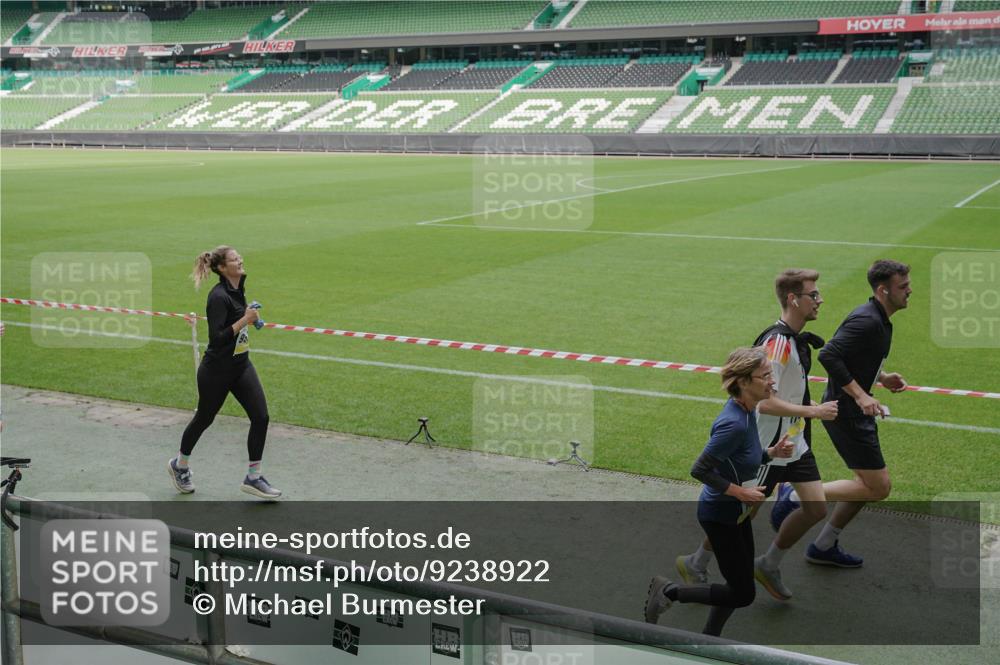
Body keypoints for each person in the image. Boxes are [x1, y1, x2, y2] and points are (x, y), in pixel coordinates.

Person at [675, 269, 839, 601]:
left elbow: (784, 395)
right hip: (769, 444)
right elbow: (766, 403)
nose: (820, 300)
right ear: (793, 299)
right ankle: (696, 562)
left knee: (816, 508)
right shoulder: (777, 344)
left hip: (792, 443)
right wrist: (814, 412)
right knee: (743, 511)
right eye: (814, 295)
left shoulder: (791, 340)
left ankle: (768, 564)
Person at [644, 347, 793, 636]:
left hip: (735, 513)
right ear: (744, 382)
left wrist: (771, 453)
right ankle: (669, 591)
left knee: (737, 585)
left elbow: (740, 457)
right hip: (720, 516)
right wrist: (739, 492)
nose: (772, 381)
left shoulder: (749, 410)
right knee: (742, 594)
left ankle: (709, 639)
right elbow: (699, 469)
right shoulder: (734, 424)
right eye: (765, 376)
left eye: (770, 374)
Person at [794, 259, 911, 566]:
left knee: (867, 487)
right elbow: (830, 355)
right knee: (878, 487)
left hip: (852, 411)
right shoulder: (868, 320)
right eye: (903, 286)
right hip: (846, 413)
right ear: (884, 290)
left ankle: (824, 545)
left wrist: (881, 377)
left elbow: (853, 357)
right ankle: (797, 496)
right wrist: (861, 396)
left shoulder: (880, 319)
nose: (909, 290)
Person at [168, 246, 281, 500]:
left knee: (261, 417)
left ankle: (253, 477)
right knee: (204, 419)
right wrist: (245, 319)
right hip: (216, 372)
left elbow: (238, 324)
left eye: (239, 256)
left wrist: (251, 317)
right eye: (233, 259)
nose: (239, 260)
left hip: (241, 367)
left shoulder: (237, 289)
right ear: (221, 268)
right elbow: (217, 338)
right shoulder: (217, 296)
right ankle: (180, 465)